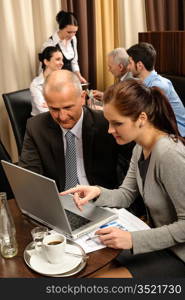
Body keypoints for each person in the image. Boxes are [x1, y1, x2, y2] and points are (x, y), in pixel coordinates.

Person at [61, 79, 185, 278]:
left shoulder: (169, 154)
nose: (110, 130)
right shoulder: (140, 148)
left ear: (141, 118)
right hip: (159, 243)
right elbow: (126, 194)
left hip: (179, 255)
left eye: (117, 123)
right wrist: (97, 192)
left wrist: (134, 240)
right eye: (109, 122)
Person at [19, 70, 134, 192]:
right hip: (60, 200)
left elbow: (131, 171)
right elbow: (29, 176)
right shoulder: (36, 127)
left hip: (101, 200)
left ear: (82, 98)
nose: (62, 117)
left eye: (68, 107)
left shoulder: (106, 124)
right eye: (54, 109)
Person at [127, 42, 185, 137]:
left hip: (178, 135)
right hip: (164, 130)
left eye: (130, 63)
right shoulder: (144, 82)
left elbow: (147, 116)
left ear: (140, 65)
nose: (128, 67)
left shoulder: (158, 86)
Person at [41, 10, 86, 83]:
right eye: (69, 32)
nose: (72, 35)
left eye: (75, 32)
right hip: (55, 83)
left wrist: (79, 77)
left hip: (70, 81)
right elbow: (44, 71)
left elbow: (74, 62)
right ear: (60, 28)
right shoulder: (49, 44)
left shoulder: (73, 39)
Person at [30, 46, 64, 116]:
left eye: (62, 60)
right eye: (58, 59)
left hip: (60, 117)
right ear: (46, 62)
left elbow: (71, 102)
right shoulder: (36, 85)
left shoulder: (62, 79)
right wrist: (61, 104)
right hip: (41, 121)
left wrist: (51, 105)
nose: (62, 63)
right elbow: (44, 111)